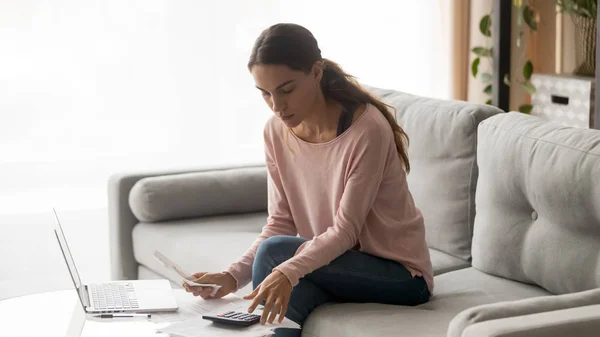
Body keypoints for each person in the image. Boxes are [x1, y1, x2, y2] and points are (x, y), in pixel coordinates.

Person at [184, 23, 433, 336]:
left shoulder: (366, 129)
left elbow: (345, 232)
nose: (277, 106)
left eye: (286, 90)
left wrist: (287, 270)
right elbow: (280, 223)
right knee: (286, 304)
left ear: (316, 72)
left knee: (276, 254)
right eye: (265, 94)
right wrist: (231, 277)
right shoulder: (275, 132)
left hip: (401, 275)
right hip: (334, 265)